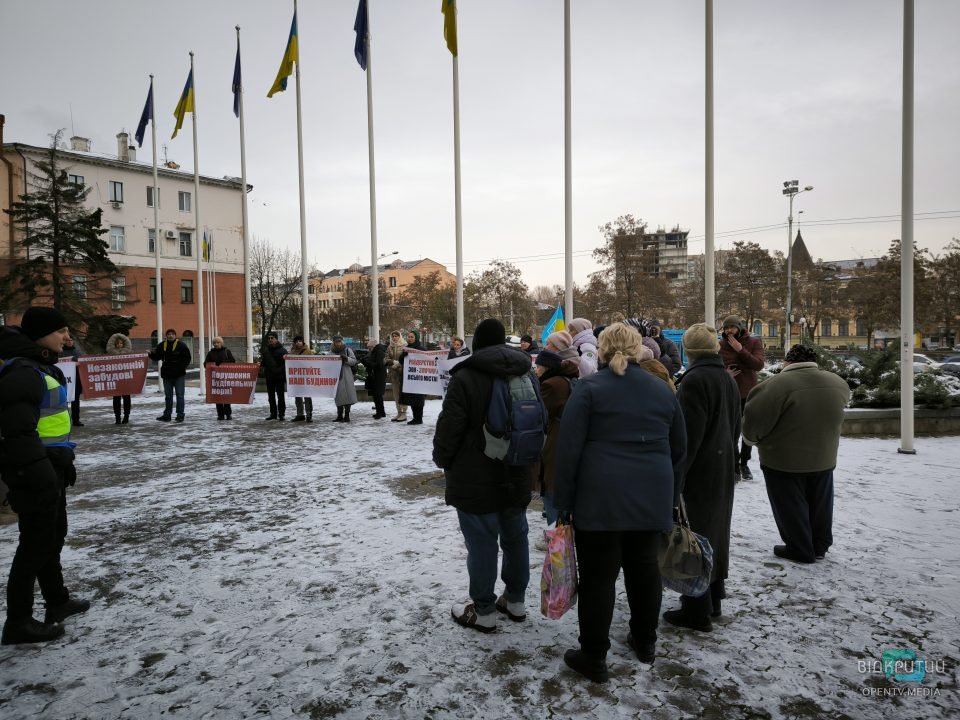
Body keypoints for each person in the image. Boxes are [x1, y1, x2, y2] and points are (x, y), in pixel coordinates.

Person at [553, 322, 687, 681]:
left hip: (600, 499)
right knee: (645, 573)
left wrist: (562, 503)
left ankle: (594, 655)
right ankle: (645, 641)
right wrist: (670, 497)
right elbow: (679, 450)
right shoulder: (662, 390)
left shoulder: (590, 389)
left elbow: (568, 452)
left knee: (598, 578)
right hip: (651, 498)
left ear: (602, 348)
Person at [433, 318, 536, 634]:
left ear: (476, 343)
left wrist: (442, 458)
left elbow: (450, 427)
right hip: (517, 468)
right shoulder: (526, 371)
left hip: (474, 473)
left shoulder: (466, 377)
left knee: (481, 542)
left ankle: (483, 610)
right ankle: (515, 601)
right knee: (516, 536)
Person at [0, 307, 90, 645]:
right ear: (40, 335)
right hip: (35, 471)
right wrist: (38, 473)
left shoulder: (40, 366)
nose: (67, 337)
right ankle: (19, 622)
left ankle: (57, 600)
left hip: (50, 466)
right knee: (34, 545)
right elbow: (18, 433)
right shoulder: (23, 371)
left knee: (52, 537)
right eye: (61, 331)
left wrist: (61, 460)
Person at [663, 324, 741, 632]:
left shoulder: (694, 381)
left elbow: (687, 439)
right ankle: (713, 599)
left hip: (700, 474)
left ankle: (696, 609)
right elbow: (735, 425)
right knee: (716, 534)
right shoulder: (724, 377)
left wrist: (676, 480)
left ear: (689, 351)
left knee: (696, 538)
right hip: (721, 469)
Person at [742, 344, 851, 564]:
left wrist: (750, 441)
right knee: (820, 503)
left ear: (787, 361)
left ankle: (800, 548)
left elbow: (755, 422)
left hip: (783, 460)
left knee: (790, 506)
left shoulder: (774, 386)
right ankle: (820, 544)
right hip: (824, 458)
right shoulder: (837, 383)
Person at [532, 349, 579, 527]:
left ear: (546, 368)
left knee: (551, 494)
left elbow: (540, 414)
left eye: (538, 367)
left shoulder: (550, 385)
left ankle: (557, 546)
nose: (536, 371)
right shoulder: (569, 380)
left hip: (554, 441)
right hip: (567, 440)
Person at [719, 315, 765, 480]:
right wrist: (725, 373)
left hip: (748, 393)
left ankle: (745, 463)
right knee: (731, 431)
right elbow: (716, 366)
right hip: (729, 393)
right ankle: (734, 464)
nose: (729, 331)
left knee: (747, 430)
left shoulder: (753, 343)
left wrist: (740, 350)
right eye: (726, 328)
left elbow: (758, 364)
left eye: (732, 327)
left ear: (739, 327)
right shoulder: (720, 345)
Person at [148, 328, 192, 423]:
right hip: (167, 374)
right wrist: (150, 354)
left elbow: (187, 358)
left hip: (178, 374)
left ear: (175, 335)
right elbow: (157, 357)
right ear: (166, 336)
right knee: (168, 396)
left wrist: (181, 367)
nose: (170, 335)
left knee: (180, 396)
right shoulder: (162, 345)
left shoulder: (181, 345)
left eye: (172, 334)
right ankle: (167, 415)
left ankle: (180, 415)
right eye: (169, 334)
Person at [204, 337, 236, 420]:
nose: (216, 344)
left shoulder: (226, 351)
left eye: (218, 342)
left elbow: (233, 361)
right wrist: (213, 364)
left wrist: (222, 364)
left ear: (221, 343)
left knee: (226, 397)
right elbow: (206, 364)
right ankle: (220, 414)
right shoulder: (210, 353)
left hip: (225, 377)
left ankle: (228, 414)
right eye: (214, 343)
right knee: (218, 397)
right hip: (216, 379)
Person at [106, 332, 135, 424]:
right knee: (116, 399)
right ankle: (117, 417)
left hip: (126, 379)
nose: (119, 345)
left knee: (127, 398)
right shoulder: (110, 354)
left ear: (124, 344)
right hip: (116, 380)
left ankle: (126, 416)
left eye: (121, 343)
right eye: (117, 343)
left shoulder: (129, 353)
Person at [400, 329, 426, 425]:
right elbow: (400, 361)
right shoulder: (406, 348)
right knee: (411, 398)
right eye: (409, 337)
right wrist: (404, 355)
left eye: (412, 337)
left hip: (419, 378)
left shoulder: (421, 348)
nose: (410, 338)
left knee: (418, 399)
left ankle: (419, 418)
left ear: (416, 338)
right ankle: (415, 418)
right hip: (409, 377)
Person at [260, 332, 288, 421]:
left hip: (279, 377)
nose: (270, 340)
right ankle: (273, 414)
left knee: (280, 396)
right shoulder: (266, 350)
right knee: (271, 397)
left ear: (276, 339)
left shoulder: (283, 350)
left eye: (272, 338)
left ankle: (281, 414)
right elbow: (264, 363)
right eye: (269, 338)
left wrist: (278, 371)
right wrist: (259, 364)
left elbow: (285, 364)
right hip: (270, 377)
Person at [330, 336, 358, 422]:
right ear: (334, 342)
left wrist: (346, 358)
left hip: (346, 376)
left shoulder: (347, 350)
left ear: (342, 342)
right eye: (336, 342)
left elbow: (354, 361)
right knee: (338, 396)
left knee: (347, 396)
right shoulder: (331, 352)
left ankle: (347, 415)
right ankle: (339, 416)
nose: (338, 343)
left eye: (339, 341)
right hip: (336, 376)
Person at [287, 336, 314, 422]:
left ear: (302, 342)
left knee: (307, 396)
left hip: (306, 376)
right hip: (296, 377)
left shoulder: (307, 351)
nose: (298, 343)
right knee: (297, 396)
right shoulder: (293, 351)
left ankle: (309, 414)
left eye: (300, 341)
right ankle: (300, 414)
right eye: (296, 341)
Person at [58, 336, 82, 427]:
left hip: (76, 380)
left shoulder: (77, 352)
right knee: (64, 401)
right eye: (67, 340)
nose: (69, 342)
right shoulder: (60, 352)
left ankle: (76, 420)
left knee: (75, 400)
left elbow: (82, 363)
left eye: (71, 340)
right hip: (64, 380)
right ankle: (66, 420)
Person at [362, 338, 388, 419]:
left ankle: (379, 413)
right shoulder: (375, 352)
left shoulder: (379, 352)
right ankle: (381, 412)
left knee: (378, 395)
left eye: (369, 347)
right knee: (376, 395)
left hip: (378, 377)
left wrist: (367, 363)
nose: (368, 349)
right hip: (375, 376)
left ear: (374, 346)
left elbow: (379, 365)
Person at [385, 330, 408, 422]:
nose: (394, 338)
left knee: (403, 393)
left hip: (402, 372)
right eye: (393, 336)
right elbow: (385, 358)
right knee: (396, 394)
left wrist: (399, 364)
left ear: (400, 337)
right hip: (393, 373)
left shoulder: (405, 346)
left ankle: (404, 413)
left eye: (396, 336)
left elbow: (408, 358)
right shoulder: (389, 347)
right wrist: (392, 362)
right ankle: (398, 412)